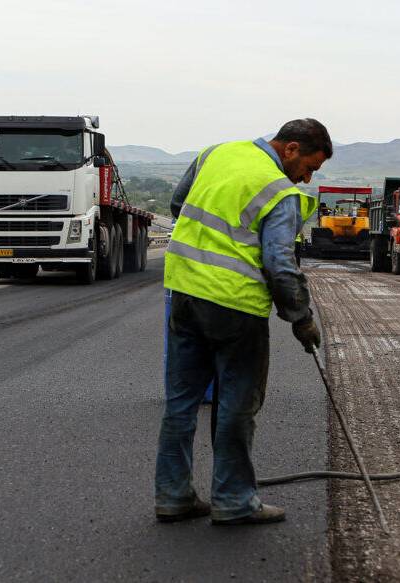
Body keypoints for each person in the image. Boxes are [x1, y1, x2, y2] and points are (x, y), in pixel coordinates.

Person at [155, 119, 331, 526]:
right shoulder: (279, 192)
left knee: (181, 403)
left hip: (183, 292)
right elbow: (280, 265)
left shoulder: (215, 153)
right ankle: (233, 501)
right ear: (290, 149)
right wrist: (301, 318)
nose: (306, 178)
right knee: (237, 403)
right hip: (236, 307)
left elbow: (179, 207)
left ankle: (173, 496)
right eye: (309, 167)